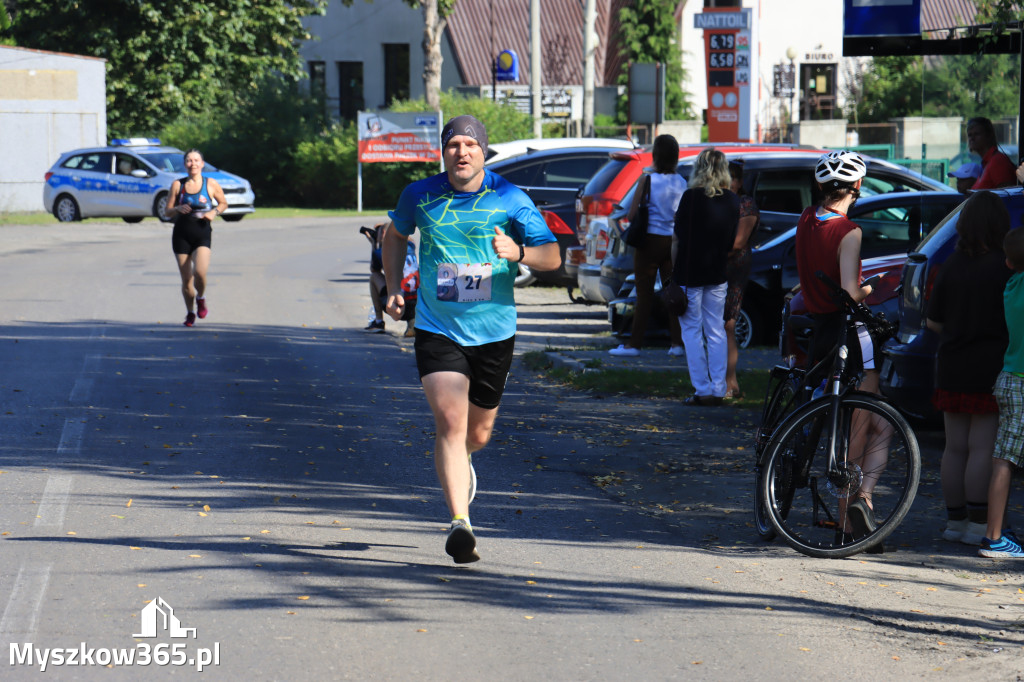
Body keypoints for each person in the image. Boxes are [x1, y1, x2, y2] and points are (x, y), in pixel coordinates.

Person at [382, 115, 560, 564]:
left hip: (495, 331)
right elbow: (395, 234)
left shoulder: (510, 198)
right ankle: (460, 522)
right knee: (450, 421)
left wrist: (517, 252)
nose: (462, 152)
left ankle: (463, 464)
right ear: (443, 152)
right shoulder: (419, 195)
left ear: (483, 152)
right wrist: (391, 287)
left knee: (476, 434)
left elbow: (553, 257)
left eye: (470, 145)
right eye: (453, 144)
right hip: (437, 327)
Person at [795, 150, 890, 548]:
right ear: (858, 187)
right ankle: (857, 505)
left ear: (821, 187)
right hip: (849, 333)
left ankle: (849, 516)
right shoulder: (849, 231)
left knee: (837, 422)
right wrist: (876, 285)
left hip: (818, 332)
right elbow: (852, 294)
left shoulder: (805, 220)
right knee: (870, 422)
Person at [925, 192, 1011, 546]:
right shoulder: (1004, 269)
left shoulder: (951, 265)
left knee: (954, 447)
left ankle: (954, 520)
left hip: (951, 364)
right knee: (981, 448)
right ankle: (978, 523)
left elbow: (932, 321)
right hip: (989, 366)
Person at [608, 134, 687, 358]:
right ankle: (676, 344)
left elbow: (633, 214)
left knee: (644, 295)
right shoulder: (681, 182)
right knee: (672, 292)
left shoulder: (647, 180)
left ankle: (634, 345)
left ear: (656, 155)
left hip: (648, 243)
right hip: (672, 243)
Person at [673, 147, 737, 406]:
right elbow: (731, 242)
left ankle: (702, 389)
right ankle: (719, 388)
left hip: (690, 271)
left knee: (691, 330)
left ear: (698, 169)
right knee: (716, 331)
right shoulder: (733, 200)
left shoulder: (690, 197)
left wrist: (671, 272)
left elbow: (678, 236)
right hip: (717, 271)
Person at [979, 226, 1024, 558]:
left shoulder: (1011, 286)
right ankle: (994, 538)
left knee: (1003, 458)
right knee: (1006, 460)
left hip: (1008, 378)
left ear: (1009, 262)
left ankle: (995, 534)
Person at [164, 148, 228, 327]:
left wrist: (214, 212)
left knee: (199, 272)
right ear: (185, 164)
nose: (193, 164)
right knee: (186, 280)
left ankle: (201, 298)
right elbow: (166, 212)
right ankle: (190, 312)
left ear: (202, 163)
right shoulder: (178, 185)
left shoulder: (211, 184)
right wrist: (177, 209)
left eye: (196, 160)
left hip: (202, 232)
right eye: (189, 161)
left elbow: (223, 203)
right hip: (181, 234)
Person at [723, 159, 760, 399]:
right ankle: (721, 381)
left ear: (739, 181)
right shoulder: (722, 202)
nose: (728, 183)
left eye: (732, 178)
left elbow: (738, 242)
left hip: (733, 268)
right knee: (718, 326)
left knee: (728, 324)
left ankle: (730, 382)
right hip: (718, 267)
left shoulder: (746, 204)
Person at [364, 222, 417, 336]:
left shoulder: (380, 252)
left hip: (397, 305)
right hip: (417, 306)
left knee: (374, 278)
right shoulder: (411, 247)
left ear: (383, 233)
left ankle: (378, 322)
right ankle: (412, 322)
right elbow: (408, 240)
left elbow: (374, 269)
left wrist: (374, 244)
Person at [966, 117, 1016, 190]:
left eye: (977, 134)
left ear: (989, 136)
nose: (972, 138)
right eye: (969, 135)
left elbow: (1007, 196)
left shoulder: (998, 161)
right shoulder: (986, 163)